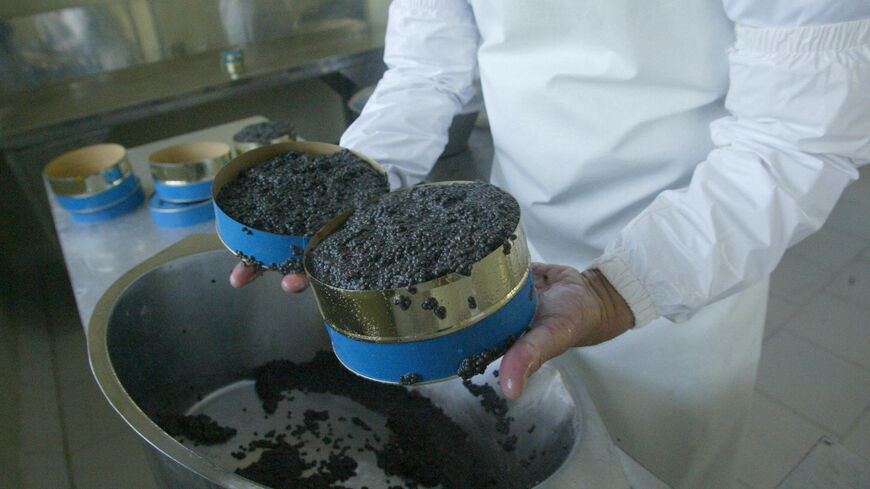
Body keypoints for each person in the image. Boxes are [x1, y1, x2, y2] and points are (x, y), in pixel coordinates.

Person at [231, 1, 870, 487]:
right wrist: (349, 187)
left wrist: (621, 286)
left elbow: (794, 138)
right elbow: (427, 66)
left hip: (690, 271)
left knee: (654, 471)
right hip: (507, 263)